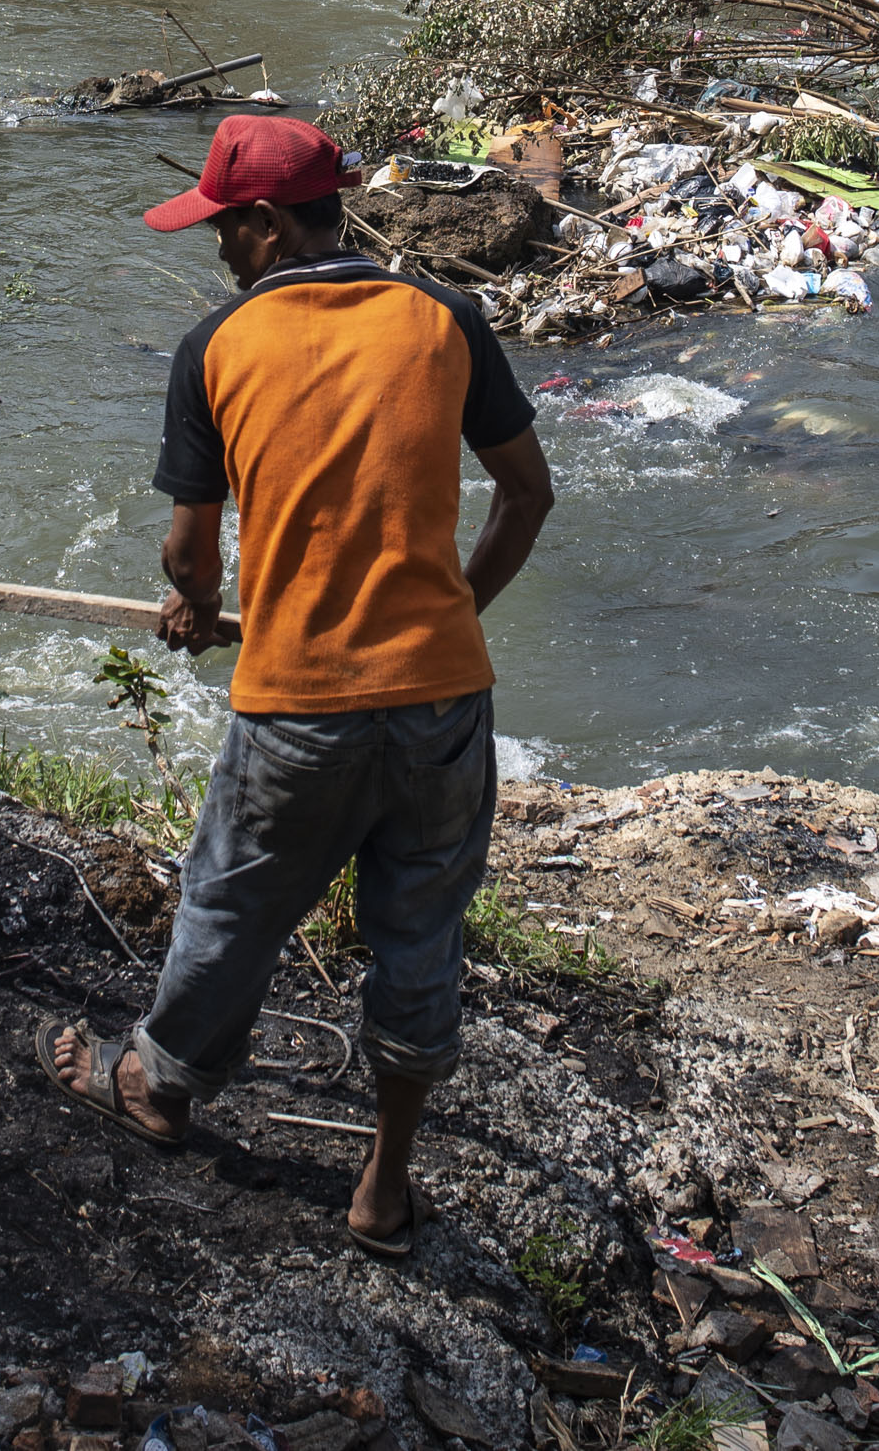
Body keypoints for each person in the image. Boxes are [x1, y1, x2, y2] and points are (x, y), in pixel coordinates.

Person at [46, 114, 555, 1260]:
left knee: (232, 903)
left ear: (269, 224)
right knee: (420, 932)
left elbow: (191, 555)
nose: (219, 248)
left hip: (299, 700)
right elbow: (527, 495)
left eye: (225, 229)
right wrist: (455, 614)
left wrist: (192, 602)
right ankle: (383, 1187)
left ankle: (158, 1089)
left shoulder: (216, 345)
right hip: (440, 697)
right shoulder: (445, 317)